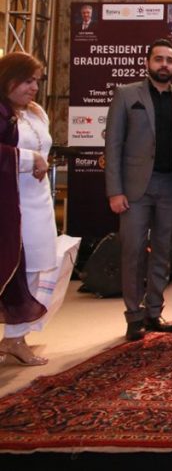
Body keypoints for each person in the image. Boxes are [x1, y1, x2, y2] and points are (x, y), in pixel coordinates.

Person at [104, 39, 172, 341]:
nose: (164, 65)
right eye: (159, 59)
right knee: (132, 251)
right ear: (148, 62)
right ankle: (134, 316)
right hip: (134, 189)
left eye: (169, 60)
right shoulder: (126, 95)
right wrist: (114, 191)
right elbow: (113, 145)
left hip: (171, 186)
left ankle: (154, 311)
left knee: (162, 252)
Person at [0, 53, 51, 365]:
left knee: (36, 268)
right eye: (28, 80)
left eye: (37, 81)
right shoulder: (2, 112)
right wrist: (29, 159)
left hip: (39, 202)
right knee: (11, 266)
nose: (34, 87)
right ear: (9, 79)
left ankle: (15, 338)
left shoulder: (35, 112)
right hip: (11, 204)